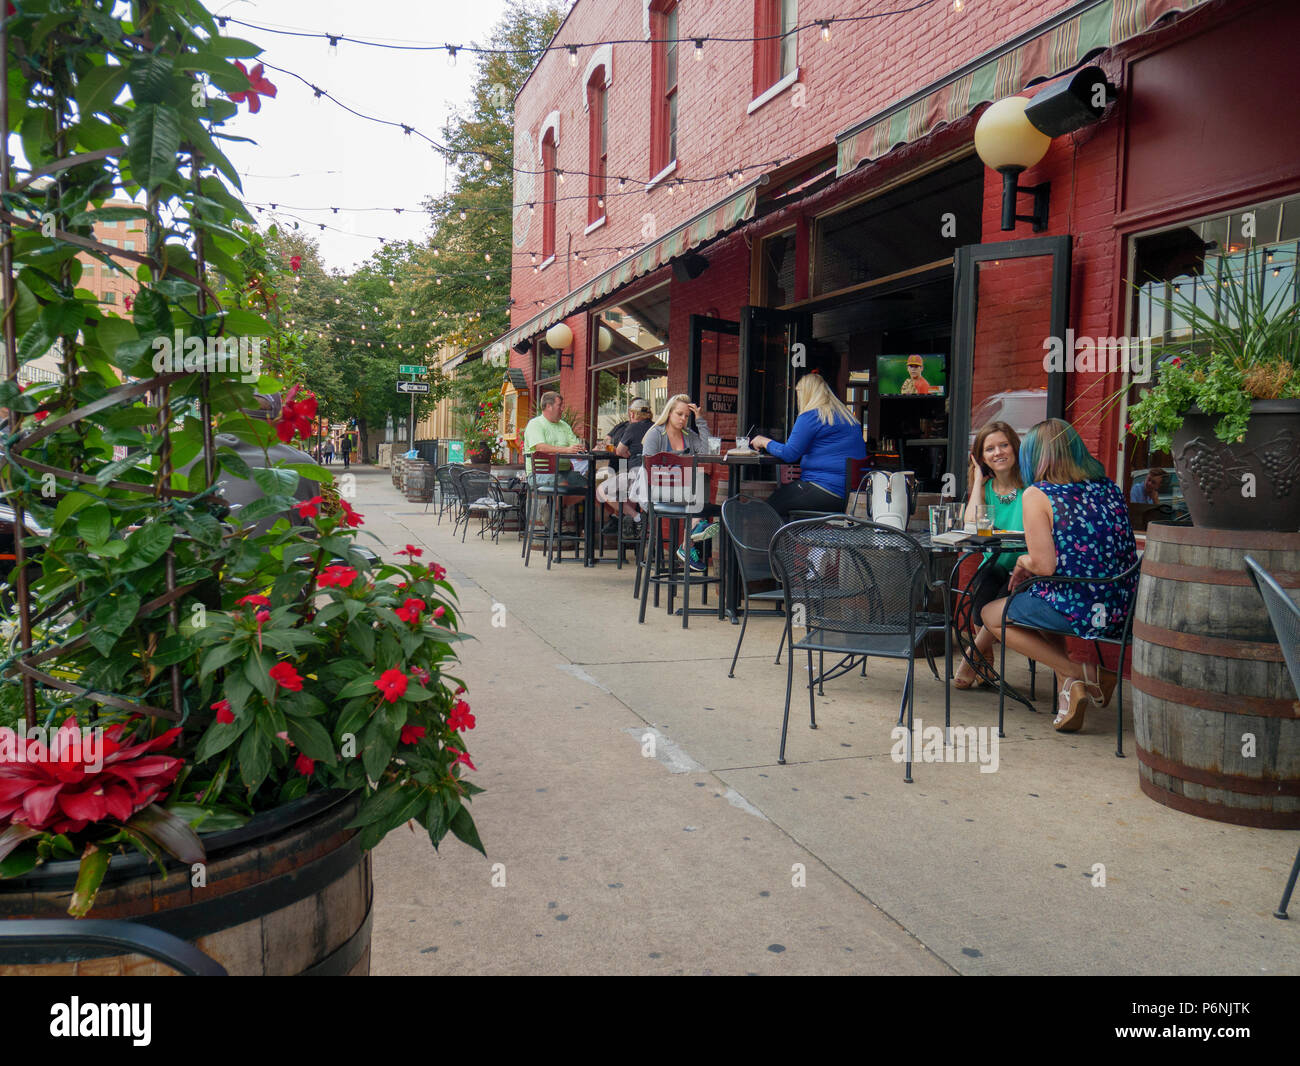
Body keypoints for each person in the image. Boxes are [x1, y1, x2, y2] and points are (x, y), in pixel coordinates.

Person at [981, 418, 1138, 734]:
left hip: (1076, 605)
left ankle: (1079, 672)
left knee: (991, 614)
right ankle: (1071, 687)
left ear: (1034, 456)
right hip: (1122, 608)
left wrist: (1023, 561)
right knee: (1036, 600)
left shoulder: (1039, 494)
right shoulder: (1109, 487)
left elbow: (1044, 565)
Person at [953, 422, 1026, 689]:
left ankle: (972, 658)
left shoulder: (1030, 487)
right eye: (990, 449)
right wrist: (977, 482)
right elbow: (972, 525)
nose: (998, 452)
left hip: (1025, 566)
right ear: (981, 458)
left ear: (1015, 448)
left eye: (1004, 445)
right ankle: (986, 661)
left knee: (996, 605)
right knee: (976, 607)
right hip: (995, 563)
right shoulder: (986, 489)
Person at [750, 373, 867, 519]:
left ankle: (778, 542)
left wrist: (763, 441)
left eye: (798, 394)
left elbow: (789, 454)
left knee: (766, 511)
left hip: (823, 489)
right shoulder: (848, 418)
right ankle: (794, 541)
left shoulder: (811, 416)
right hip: (848, 496)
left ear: (805, 394)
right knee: (785, 504)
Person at [640, 394, 715, 571]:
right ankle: (693, 534)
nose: (683, 419)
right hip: (654, 490)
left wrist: (700, 420)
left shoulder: (688, 435)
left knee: (701, 479)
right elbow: (647, 470)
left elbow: (706, 451)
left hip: (682, 490)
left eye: (686, 416)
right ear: (669, 413)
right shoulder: (655, 434)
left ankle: (689, 540)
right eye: (679, 414)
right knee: (696, 493)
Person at [597, 398, 654, 536]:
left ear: (633, 414)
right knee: (623, 488)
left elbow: (619, 451)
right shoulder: (656, 427)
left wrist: (626, 451)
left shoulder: (632, 427)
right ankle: (629, 523)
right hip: (656, 478)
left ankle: (637, 518)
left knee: (602, 490)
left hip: (637, 475)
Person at [523, 390, 587, 493]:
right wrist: (567, 450)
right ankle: (558, 509)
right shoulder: (535, 424)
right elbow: (540, 447)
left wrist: (580, 450)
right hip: (540, 474)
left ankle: (565, 507)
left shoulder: (564, 425)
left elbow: (575, 446)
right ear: (549, 406)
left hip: (565, 472)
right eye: (560, 405)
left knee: (588, 485)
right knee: (563, 485)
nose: (562, 409)